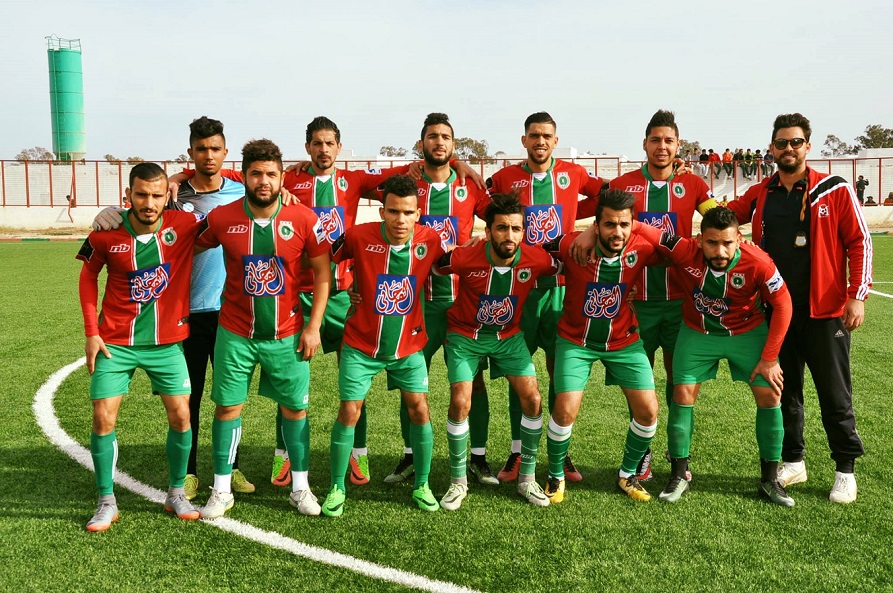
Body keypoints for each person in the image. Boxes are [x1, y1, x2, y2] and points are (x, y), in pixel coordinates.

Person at [727, 113, 872, 504]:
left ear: (807, 146)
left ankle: (845, 470)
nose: (788, 149)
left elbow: (859, 241)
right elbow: (722, 216)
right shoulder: (761, 192)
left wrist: (857, 294)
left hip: (824, 313)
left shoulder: (833, 188)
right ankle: (793, 461)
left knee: (835, 395)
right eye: (781, 143)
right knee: (785, 392)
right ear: (772, 148)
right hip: (777, 313)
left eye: (795, 142)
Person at [575, 109, 718, 482]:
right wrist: (589, 230)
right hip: (636, 301)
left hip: (681, 300)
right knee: (639, 385)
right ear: (644, 144)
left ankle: (678, 451)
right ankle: (642, 454)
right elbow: (601, 218)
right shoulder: (624, 185)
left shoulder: (694, 185)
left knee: (678, 380)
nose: (662, 147)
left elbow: (719, 219)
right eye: (655, 140)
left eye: (668, 140)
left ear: (678, 145)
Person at [195, 138, 332, 519]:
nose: (264, 181)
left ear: (282, 177)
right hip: (235, 333)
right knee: (227, 408)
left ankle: (300, 488)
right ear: (244, 176)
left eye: (271, 173)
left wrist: (314, 327)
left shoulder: (304, 219)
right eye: (256, 173)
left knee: (295, 411)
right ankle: (221, 490)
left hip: (288, 334)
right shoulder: (221, 218)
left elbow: (323, 274)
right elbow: (179, 244)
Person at [635, 207, 795, 506]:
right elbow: (640, 228)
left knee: (770, 395)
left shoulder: (759, 262)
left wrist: (770, 358)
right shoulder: (684, 250)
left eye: (727, 243)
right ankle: (679, 474)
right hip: (698, 332)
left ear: (739, 239)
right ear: (699, 240)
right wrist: (592, 231)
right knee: (681, 393)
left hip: (748, 333)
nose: (720, 251)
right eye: (712, 243)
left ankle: (770, 479)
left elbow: (784, 304)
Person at [76, 162, 204, 531]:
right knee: (103, 417)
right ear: (128, 195)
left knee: (181, 416)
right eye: (142, 195)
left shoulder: (185, 225)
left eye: (156, 195)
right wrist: (91, 332)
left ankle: (176, 493)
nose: (149, 203)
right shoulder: (106, 233)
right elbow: (87, 277)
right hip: (115, 343)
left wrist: (184, 174)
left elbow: (230, 217)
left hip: (167, 343)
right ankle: (106, 500)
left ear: (167, 196)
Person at [486, 111, 606, 484]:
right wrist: (460, 164)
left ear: (556, 141)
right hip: (518, 291)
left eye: (547, 136)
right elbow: (477, 198)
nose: (540, 141)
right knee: (519, 374)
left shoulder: (574, 174)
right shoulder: (505, 179)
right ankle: (518, 450)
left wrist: (588, 226)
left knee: (559, 374)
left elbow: (611, 195)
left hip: (559, 290)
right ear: (524, 140)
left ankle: (560, 451)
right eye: (534, 135)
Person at [322, 174, 447, 516]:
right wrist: (346, 285)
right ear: (382, 212)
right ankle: (336, 486)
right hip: (360, 344)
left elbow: (454, 266)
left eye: (407, 212)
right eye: (393, 211)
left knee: (419, 409)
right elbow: (320, 258)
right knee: (350, 411)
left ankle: (422, 484)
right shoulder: (358, 236)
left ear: (418, 213)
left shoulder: (431, 240)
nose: (400, 219)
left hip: (408, 345)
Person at [384, 113, 496, 487]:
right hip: (417, 302)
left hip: (463, 303)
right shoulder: (407, 184)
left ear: (453, 144)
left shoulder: (469, 185)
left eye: (446, 137)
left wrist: (484, 243)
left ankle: (478, 457)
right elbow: (361, 188)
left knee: (473, 383)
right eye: (432, 136)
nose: (439, 142)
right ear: (422, 144)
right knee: (412, 382)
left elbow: (503, 219)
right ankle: (410, 456)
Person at [435, 191, 561, 510]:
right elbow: (434, 267)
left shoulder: (536, 258)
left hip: (508, 337)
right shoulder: (466, 257)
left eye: (516, 228)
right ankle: (457, 482)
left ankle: (527, 479)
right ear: (488, 231)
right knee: (461, 401)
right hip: (465, 336)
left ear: (524, 231)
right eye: (502, 228)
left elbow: (567, 262)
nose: (509, 235)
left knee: (532, 399)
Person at [542, 189, 663, 503]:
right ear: (596, 226)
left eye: (624, 224)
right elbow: (537, 249)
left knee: (648, 411)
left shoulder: (641, 247)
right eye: (609, 224)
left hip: (624, 342)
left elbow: (679, 246)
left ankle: (628, 474)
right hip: (576, 341)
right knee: (565, 409)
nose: (617, 232)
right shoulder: (573, 246)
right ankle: (555, 474)